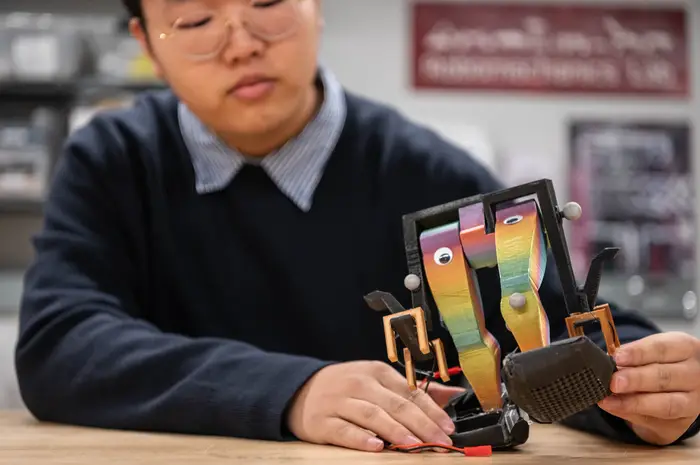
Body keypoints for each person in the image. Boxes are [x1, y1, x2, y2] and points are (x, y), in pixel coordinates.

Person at [14, 0, 700, 452]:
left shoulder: (429, 171)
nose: (241, 44)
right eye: (195, 21)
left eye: (266, 6)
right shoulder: (113, 160)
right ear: (145, 43)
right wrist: (293, 391)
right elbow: (60, 341)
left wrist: (653, 392)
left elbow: (559, 325)